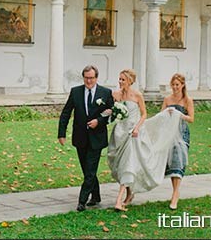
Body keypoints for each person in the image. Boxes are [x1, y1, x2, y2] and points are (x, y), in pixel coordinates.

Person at [107, 69, 183, 212]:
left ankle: (118, 201)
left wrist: (136, 128)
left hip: (133, 133)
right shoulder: (115, 95)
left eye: (123, 79)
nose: (120, 82)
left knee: (128, 164)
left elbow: (144, 114)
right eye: (119, 79)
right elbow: (111, 110)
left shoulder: (137, 95)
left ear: (130, 80)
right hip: (119, 132)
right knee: (120, 165)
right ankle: (129, 195)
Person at [58, 65, 114, 212]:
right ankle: (96, 196)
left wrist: (98, 121)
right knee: (87, 169)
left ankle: (82, 201)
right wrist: (61, 133)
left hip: (97, 138)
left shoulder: (106, 92)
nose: (89, 81)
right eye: (86, 78)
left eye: (91, 78)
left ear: (96, 78)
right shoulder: (75, 92)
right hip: (80, 136)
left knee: (90, 170)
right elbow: (66, 112)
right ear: (83, 78)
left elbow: (111, 113)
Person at [161, 73, 194, 210]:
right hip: (170, 132)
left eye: (177, 85)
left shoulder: (187, 100)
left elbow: (191, 118)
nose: (175, 87)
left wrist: (181, 115)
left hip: (181, 132)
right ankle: (175, 190)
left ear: (182, 85)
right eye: (173, 85)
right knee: (172, 162)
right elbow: (160, 115)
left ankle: (175, 193)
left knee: (179, 160)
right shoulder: (167, 99)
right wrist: (167, 113)